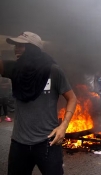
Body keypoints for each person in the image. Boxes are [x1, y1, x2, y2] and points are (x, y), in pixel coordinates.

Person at [0, 31, 77, 175]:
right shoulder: (15, 69)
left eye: (22, 46)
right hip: (19, 143)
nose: (16, 48)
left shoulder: (53, 70)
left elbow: (72, 98)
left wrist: (64, 126)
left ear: (33, 49)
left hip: (48, 142)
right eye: (16, 45)